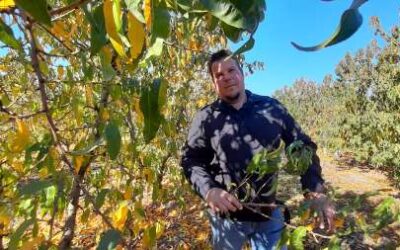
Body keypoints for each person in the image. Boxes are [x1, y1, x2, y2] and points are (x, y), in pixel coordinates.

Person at [181, 49, 335, 250]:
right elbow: (190, 159)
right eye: (219, 75)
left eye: (231, 70)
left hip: (269, 214)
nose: (226, 77)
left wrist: (315, 190)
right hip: (226, 221)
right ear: (213, 83)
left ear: (242, 73)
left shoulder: (271, 108)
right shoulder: (206, 118)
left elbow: (302, 145)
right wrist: (209, 190)